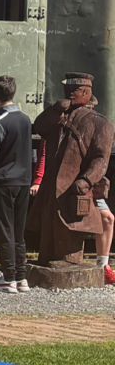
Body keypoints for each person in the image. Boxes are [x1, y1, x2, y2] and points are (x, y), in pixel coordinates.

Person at [30, 72, 115, 274]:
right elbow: (39, 127)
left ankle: (69, 259)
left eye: (74, 90)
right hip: (53, 185)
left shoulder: (100, 122)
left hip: (75, 186)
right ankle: (47, 256)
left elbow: (101, 159)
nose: (69, 93)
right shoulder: (58, 117)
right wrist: (55, 109)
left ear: (86, 92)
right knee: (49, 223)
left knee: (71, 224)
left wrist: (86, 180)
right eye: (67, 89)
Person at [0, 75, 34, 293]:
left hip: (3, 181)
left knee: (4, 230)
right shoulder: (25, 119)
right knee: (18, 231)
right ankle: (21, 277)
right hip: (23, 180)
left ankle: (8, 277)